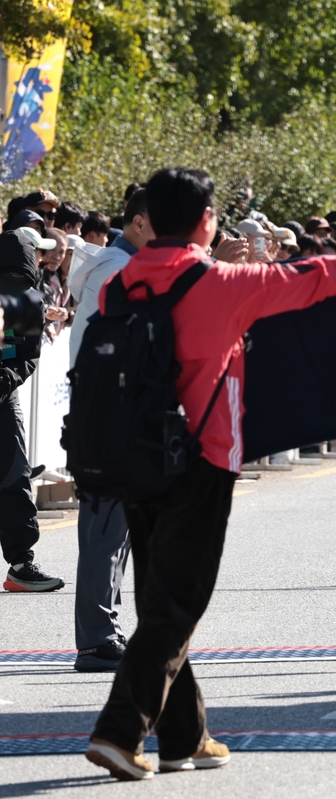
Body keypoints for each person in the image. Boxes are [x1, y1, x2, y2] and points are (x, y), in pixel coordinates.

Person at [83, 168, 336, 781]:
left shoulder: (119, 284)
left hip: (131, 459)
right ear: (207, 221)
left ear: (149, 219)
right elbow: (318, 279)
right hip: (201, 459)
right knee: (177, 604)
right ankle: (118, 731)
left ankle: (185, 736)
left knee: (163, 597)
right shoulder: (221, 283)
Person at [65, 189, 155, 671]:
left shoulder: (122, 268)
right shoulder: (119, 272)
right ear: (138, 224)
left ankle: (104, 631)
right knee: (106, 530)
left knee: (115, 532)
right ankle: (98, 638)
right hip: (109, 417)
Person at [0, 231, 61, 592]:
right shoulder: (26, 296)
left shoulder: (27, 300)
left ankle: (22, 564)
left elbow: (26, 357)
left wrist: (4, 379)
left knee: (13, 476)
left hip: (3, 398)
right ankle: (22, 564)